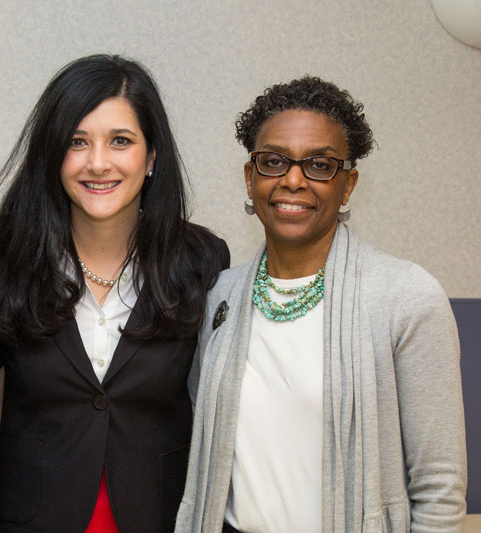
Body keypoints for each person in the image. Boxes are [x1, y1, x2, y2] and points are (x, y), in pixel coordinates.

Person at [175, 76, 467, 532]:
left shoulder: (405, 297)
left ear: (347, 185)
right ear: (251, 179)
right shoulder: (220, 296)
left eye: (319, 165)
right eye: (274, 162)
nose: (293, 180)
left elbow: (438, 485)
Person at [0, 54, 229, 532]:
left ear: (151, 156)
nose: (98, 163)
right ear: (52, 154)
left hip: (159, 517)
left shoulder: (202, 259)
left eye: (120, 141)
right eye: (77, 141)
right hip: (28, 518)